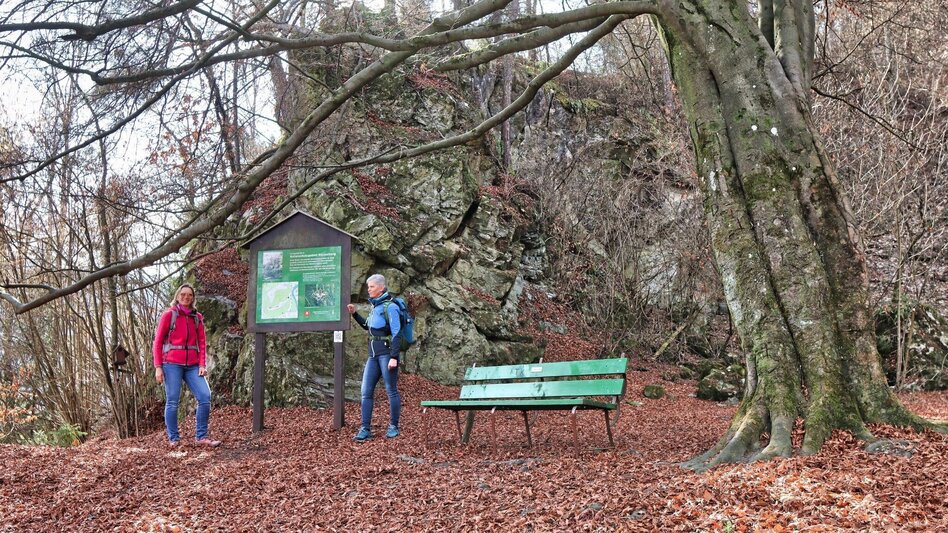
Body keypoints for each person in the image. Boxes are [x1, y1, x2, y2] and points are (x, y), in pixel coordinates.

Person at [152, 283, 221, 448]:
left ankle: (201, 437)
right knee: (173, 400)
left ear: (193, 298)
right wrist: (158, 366)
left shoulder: (197, 318)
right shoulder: (169, 315)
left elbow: (202, 343)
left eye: (189, 295)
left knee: (205, 396)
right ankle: (174, 439)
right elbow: (158, 342)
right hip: (171, 364)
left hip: (192, 365)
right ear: (177, 296)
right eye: (183, 294)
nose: (186, 297)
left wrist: (202, 364)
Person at [347, 274, 402, 441]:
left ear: (380, 288)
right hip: (373, 356)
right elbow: (368, 327)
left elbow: (396, 333)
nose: (368, 289)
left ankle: (393, 426)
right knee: (365, 392)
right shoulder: (375, 307)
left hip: (387, 355)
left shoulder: (390, 307)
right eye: (368, 286)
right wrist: (355, 314)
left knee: (390, 390)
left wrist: (394, 357)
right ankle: (365, 429)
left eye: (371, 287)